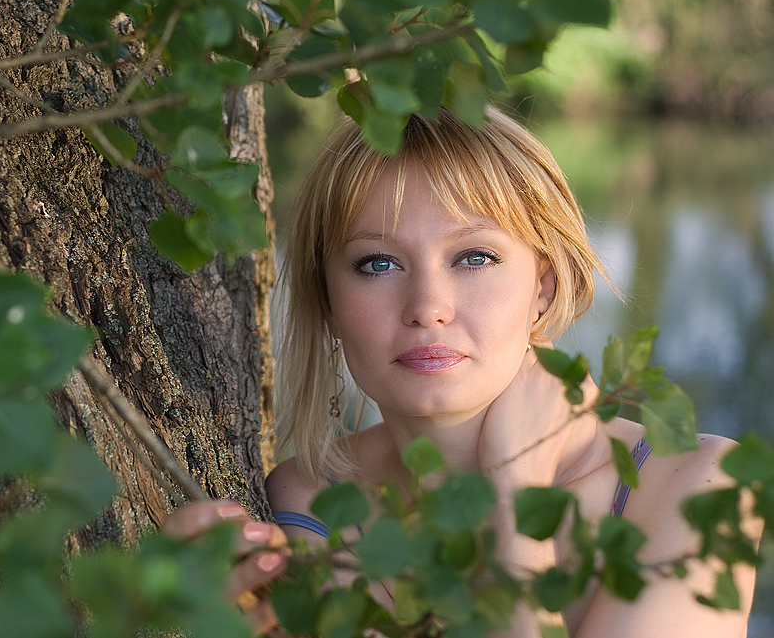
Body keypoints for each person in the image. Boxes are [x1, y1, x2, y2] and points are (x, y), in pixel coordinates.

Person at [163, 106, 761, 637]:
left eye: (474, 257)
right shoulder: (306, 508)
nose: (428, 306)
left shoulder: (699, 488)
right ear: (328, 301)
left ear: (543, 288)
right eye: (377, 263)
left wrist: (515, 497)